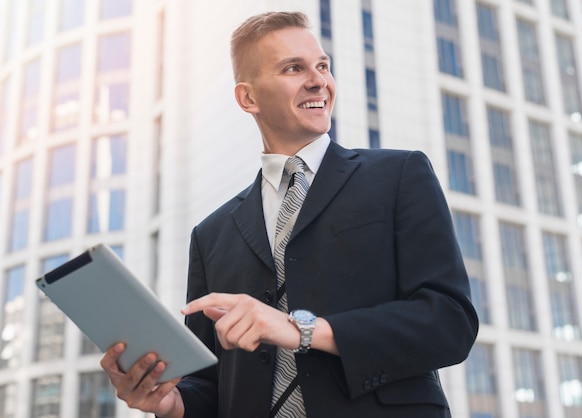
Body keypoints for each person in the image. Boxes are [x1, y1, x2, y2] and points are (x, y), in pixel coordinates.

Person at [100, 11, 479, 418]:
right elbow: (210, 383)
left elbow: (449, 323)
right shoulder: (211, 235)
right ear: (248, 98)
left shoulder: (399, 176)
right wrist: (171, 403)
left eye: (322, 66)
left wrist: (300, 329)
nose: (319, 81)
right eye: (293, 68)